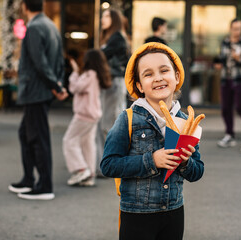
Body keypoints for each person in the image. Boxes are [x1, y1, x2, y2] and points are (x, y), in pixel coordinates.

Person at [101, 42, 204, 240]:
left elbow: (197, 171)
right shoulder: (128, 119)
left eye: (164, 70)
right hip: (136, 214)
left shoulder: (186, 122)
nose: (157, 78)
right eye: (148, 74)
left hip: (174, 212)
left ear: (176, 76)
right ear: (139, 85)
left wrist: (185, 162)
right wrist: (152, 160)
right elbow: (108, 165)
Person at [8, 0, 68, 200]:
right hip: (43, 90)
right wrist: (57, 83)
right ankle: (28, 180)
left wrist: (56, 85)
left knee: (37, 138)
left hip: (35, 91)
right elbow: (59, 60)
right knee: (26, 134)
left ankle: (44, 186)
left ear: (25, 6)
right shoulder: (51, 25)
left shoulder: (34, 27)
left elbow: (39, 62)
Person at [63, 49, 111, 187]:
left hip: (84, 115)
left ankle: (81, 168)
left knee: (69, 140)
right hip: (93, 115)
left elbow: (75, 88)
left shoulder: (89, 74)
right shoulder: (95, 75)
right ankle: (89, 174)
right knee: (87, 143)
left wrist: (74, 72)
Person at [96, 8, 129, 175]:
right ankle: (107, 163)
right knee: (106, 124)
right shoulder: (112, 37)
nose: (103, 19)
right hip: (111, 84)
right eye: (102, 16)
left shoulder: (116, 38)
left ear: (114, 19)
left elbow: (102, 56)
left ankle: (110, 164)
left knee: (108, 124)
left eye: (107, 16)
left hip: (113, 83)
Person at [214, 19, 241, 148]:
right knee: (226, 108)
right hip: (226, 79)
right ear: (230, 29)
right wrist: (218, 64)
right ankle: (229, 135)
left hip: (239, 79)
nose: (237, 31)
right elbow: (221, 58)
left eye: (239, 28)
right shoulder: (225, 42)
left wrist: (239, 59)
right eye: (235, 28)